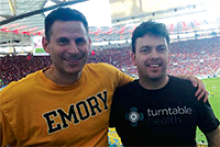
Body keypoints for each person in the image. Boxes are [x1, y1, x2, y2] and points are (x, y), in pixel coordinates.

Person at [0, 8, 208, 146]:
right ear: (46, 44)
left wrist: (184, 80)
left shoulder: (107, 75)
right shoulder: (13, 100)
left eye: (80, 41)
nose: (73, 50)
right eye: (63, 41)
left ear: (89, 43)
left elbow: (147, 85)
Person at [109, 21, 220, 146]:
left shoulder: (192, 91)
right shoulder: (120, 98)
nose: (155, 56)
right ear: (133, 58)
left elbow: (215, 134)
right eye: (145, 50)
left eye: (161, 49)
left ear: (168, 55)